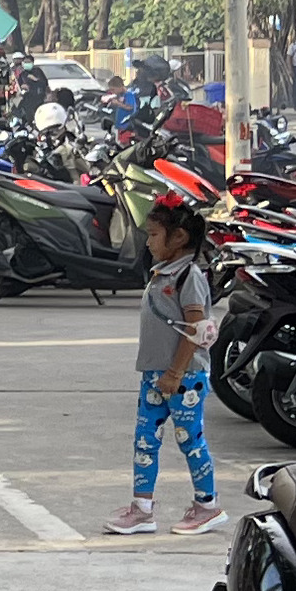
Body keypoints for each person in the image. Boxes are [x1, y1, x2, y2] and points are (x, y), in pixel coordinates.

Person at [114, 197, 224, 535]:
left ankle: (207, 506)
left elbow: (195, 330)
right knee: (145, 439)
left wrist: (175, 373)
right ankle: (142, 508)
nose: (148, 241)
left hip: (184, 377)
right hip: (155, 374)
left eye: (154, 234)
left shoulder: (189, 276)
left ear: (178, 238)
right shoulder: (163, 271)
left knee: (191, 439)